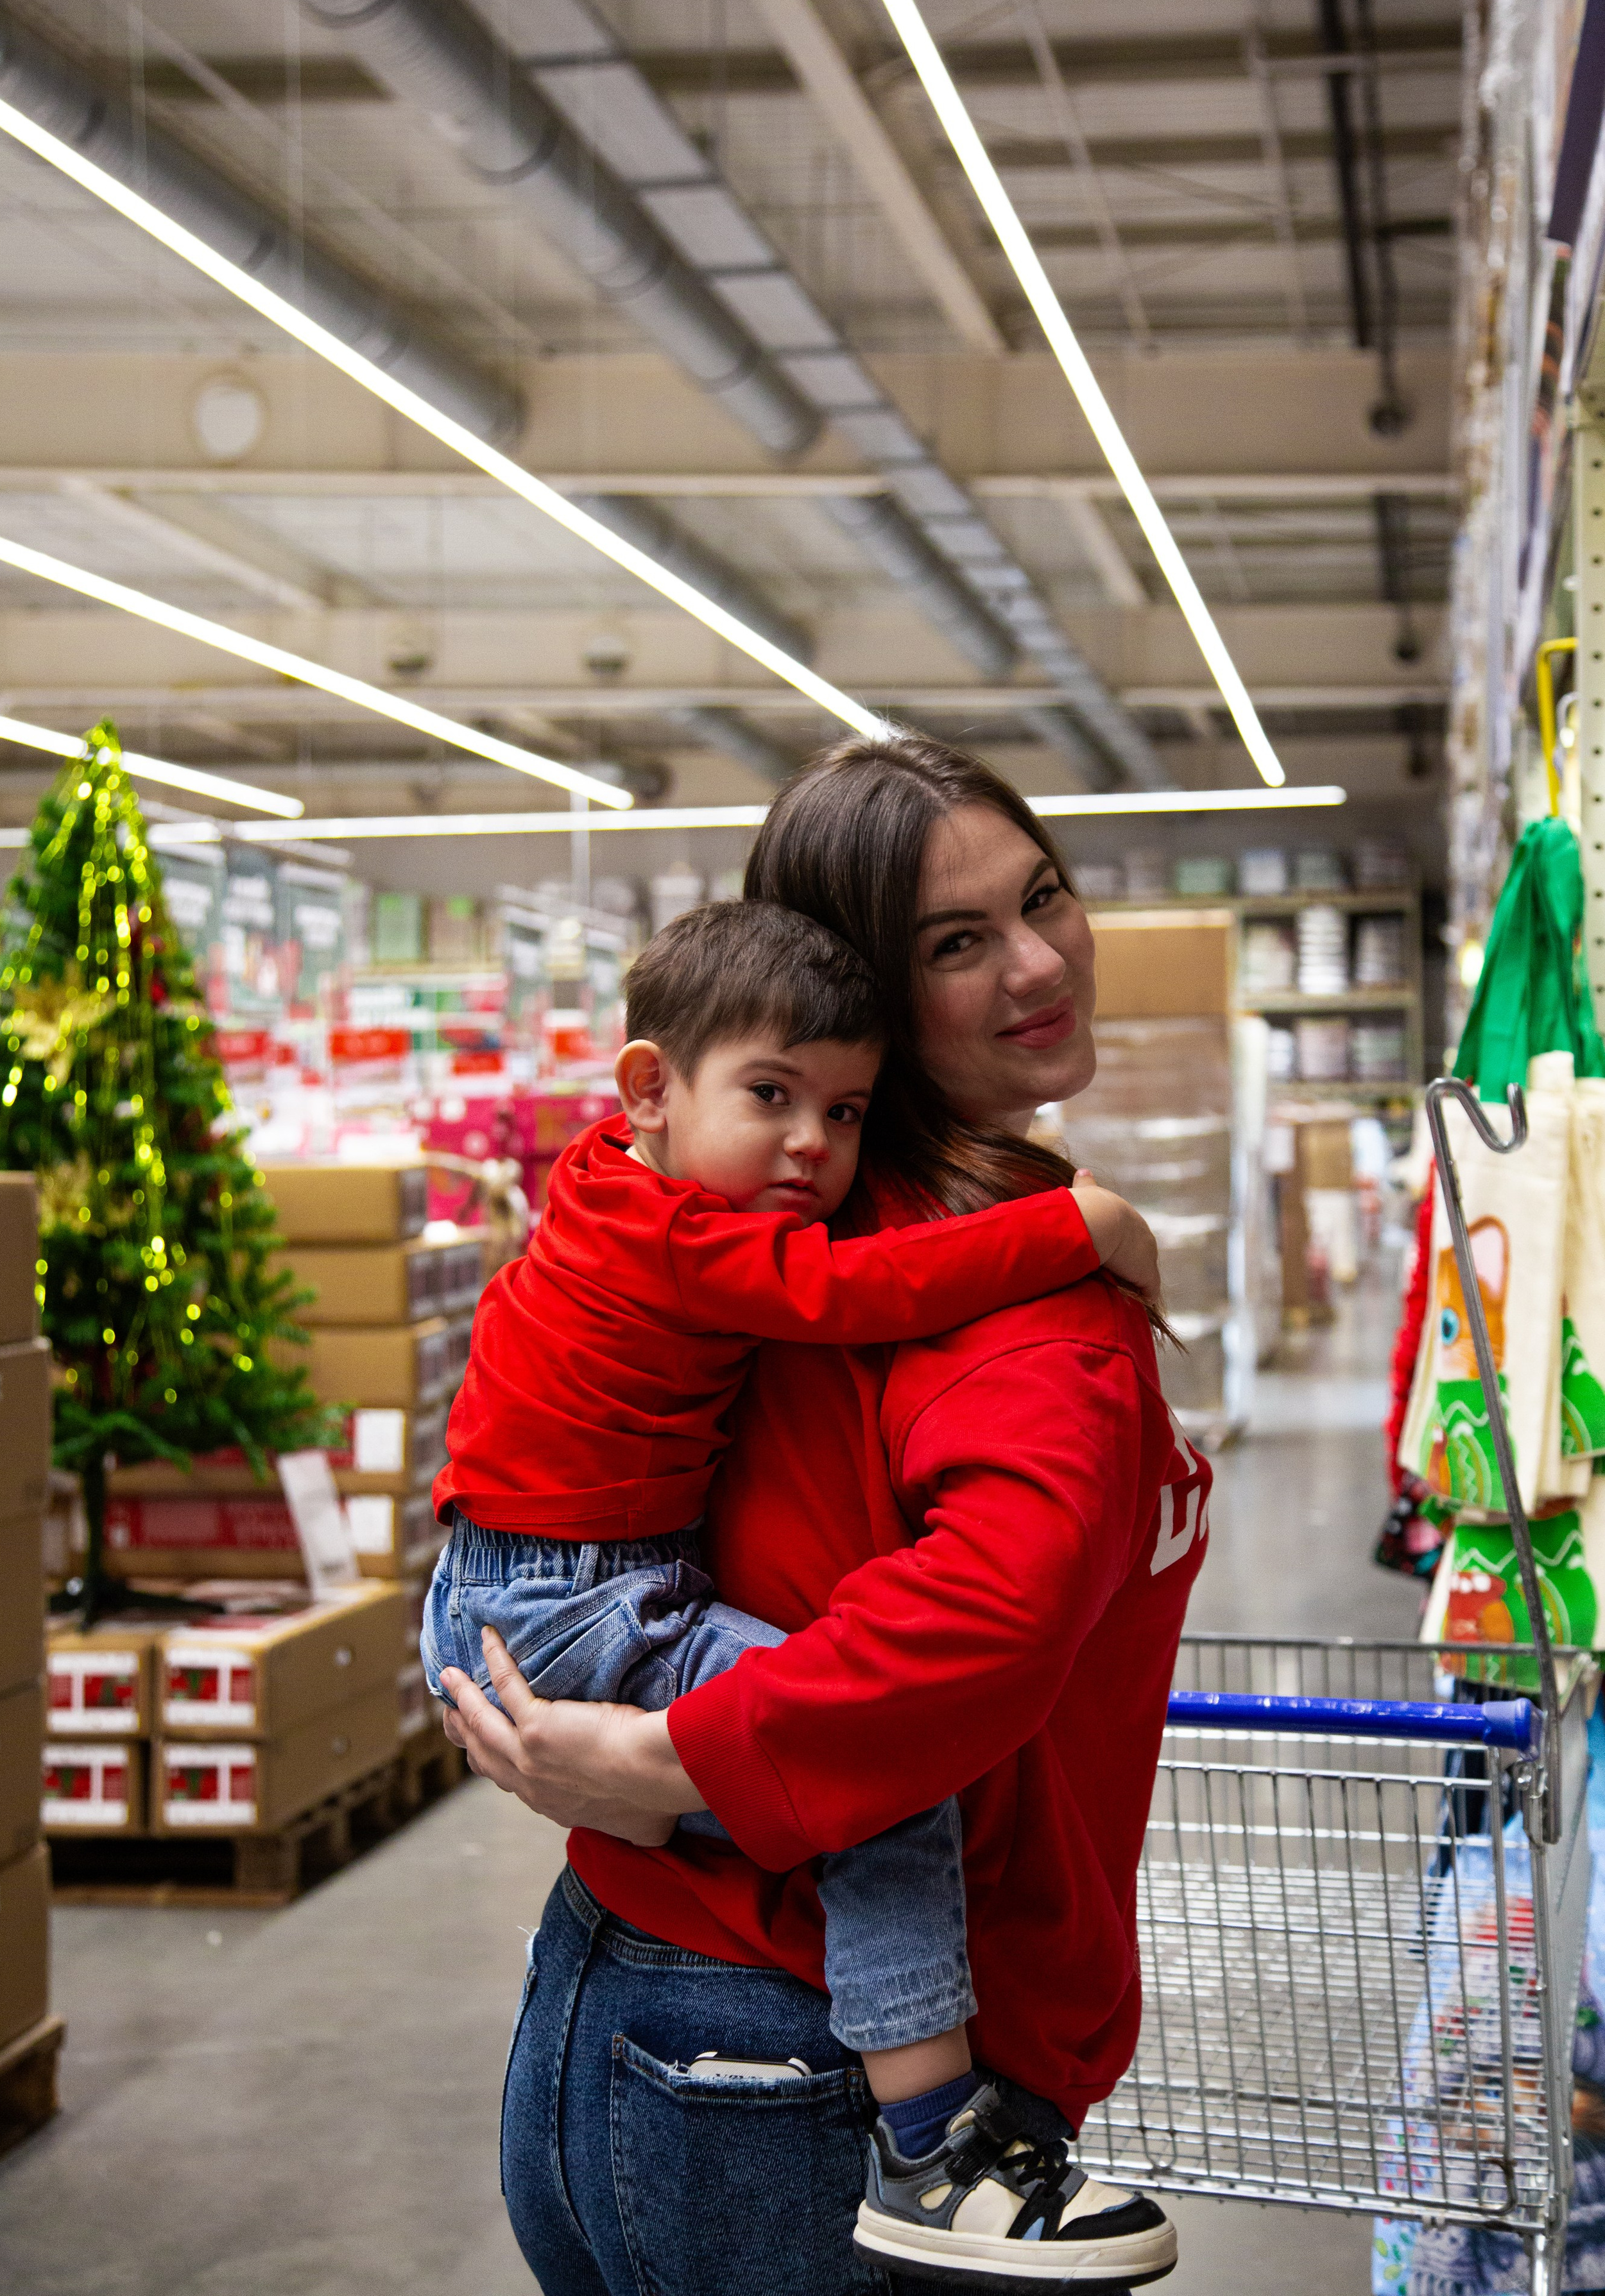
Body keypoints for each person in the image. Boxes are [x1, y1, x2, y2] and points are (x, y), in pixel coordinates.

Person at [440, 734, 1211, 2294]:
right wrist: (668, 1755)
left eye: (1041, 898)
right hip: (795, 2065)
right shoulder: (964, 1278)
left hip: (640, 1992)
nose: (1035, 959)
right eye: (952, 942)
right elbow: (978, 1619)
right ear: (858, 982)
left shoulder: (770, 1209)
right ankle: (946, 2155)